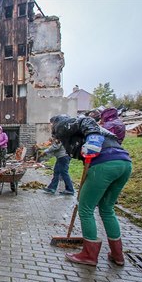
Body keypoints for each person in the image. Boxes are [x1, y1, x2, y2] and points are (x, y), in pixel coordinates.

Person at [50, 114, 132, 267]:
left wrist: (93, 137)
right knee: (107, 209)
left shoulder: (62, 125)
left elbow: (86, 120)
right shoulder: (88, 132)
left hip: (104, 164)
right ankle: (117, 254)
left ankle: (89, 255)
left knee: (85, 208)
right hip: (124, 163)